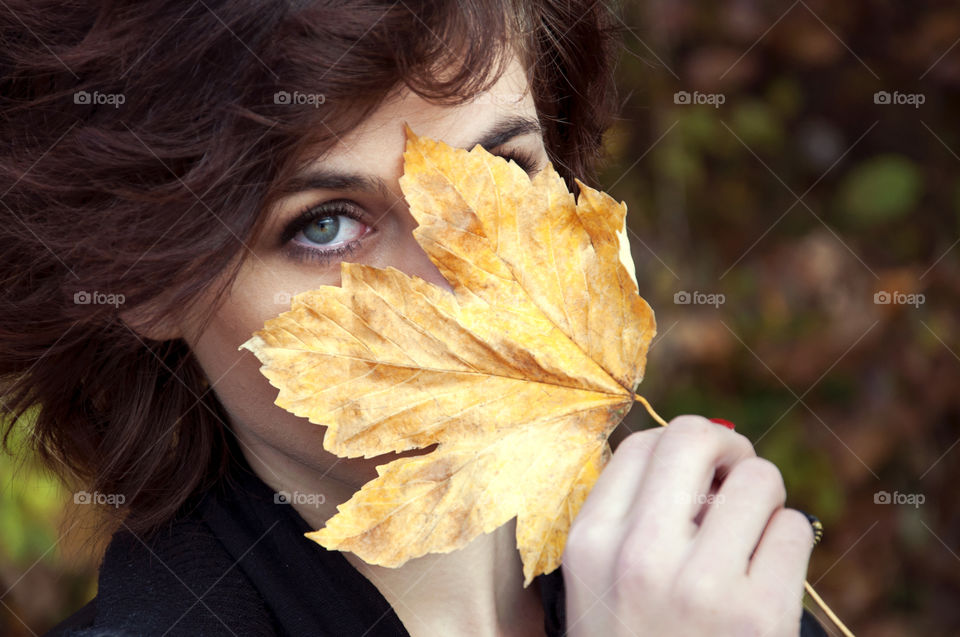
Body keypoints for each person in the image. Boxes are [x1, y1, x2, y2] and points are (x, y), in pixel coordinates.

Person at [0, 1, 828, 635]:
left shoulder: (712, 592)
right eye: (324, 225)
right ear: (144, 280)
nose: (464, 297)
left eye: (499, 170)